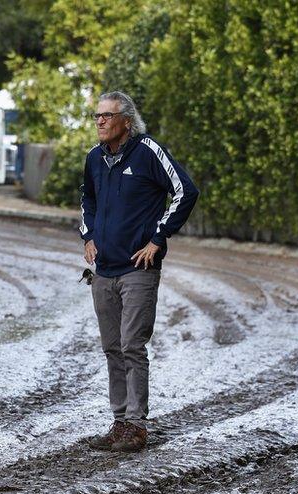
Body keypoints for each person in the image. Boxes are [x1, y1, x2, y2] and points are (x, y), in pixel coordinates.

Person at [80, 91, 200, 452]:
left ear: (126, 122)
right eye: (96, 116)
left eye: (107, 116)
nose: (100, 121)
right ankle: (119, 423)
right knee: (112, 348)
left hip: (138, 269)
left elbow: (185, 191)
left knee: (132, 345)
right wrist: (87, 236)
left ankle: (136, 425)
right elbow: (87, 197)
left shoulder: (148, 152)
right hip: (103, 271)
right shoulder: (94, 158)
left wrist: (158, 239)